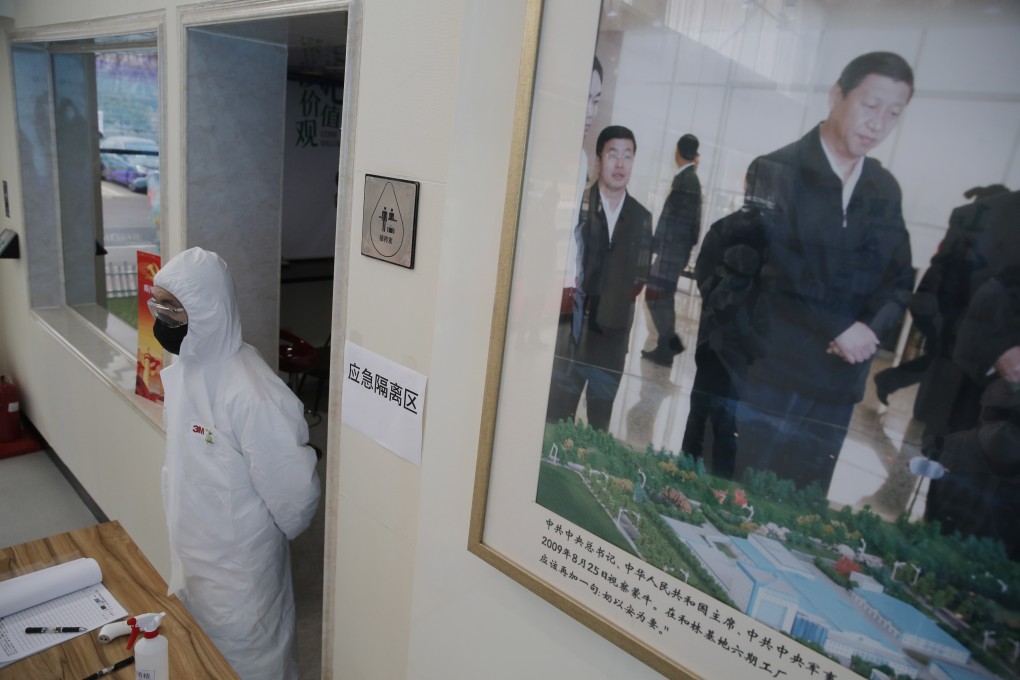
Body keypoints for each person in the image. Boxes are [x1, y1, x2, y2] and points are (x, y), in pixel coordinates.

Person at [728, 52, 916, 491]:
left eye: (894, 113)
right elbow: (777, 265)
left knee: (802, 505)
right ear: (837, 96)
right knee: (744, 494)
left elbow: (900, 277)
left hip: (840, 383)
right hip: (777, 371)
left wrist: (870, 329)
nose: (878, 124)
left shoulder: (884, 188)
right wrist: (839, 326)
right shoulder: (777, 169)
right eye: (870, 106)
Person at [150, 247, 321, 680]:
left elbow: (296, 495)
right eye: (159, 304)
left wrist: (248, 538)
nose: (163, 319)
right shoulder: (186, 370)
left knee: (251, 663)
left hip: (241, 573)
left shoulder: (251, 390)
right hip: (195, 559)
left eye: (174, 308)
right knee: (201, 658)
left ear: (207, 310)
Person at [546, 125, 653, 430]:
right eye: (613, 154)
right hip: (571, 339)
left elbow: (639, 279)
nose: (620, 164)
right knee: (556, 420)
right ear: (598, 161)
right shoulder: (575, 208)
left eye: (627, 156)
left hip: (612, 341)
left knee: (599, 424)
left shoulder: (642, 218)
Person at [642, 133, 703, 367]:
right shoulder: (689, 179)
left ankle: (669, 347)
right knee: (660, 297)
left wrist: (662, 246)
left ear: (677, 152)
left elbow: (679, 222)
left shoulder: (686, 181)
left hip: (671, 254)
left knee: (655, 295)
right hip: (674, 253)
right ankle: (668, 347)